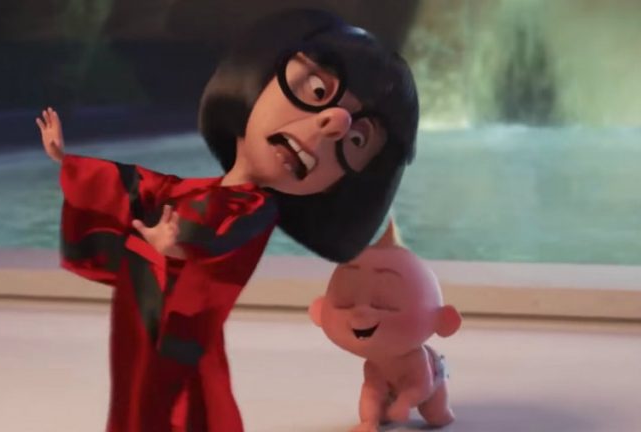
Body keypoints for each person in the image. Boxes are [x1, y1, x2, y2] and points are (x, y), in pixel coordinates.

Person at [36, 8, 418, 432]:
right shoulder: (210, 191)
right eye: (316, 89)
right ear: (259, 75)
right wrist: (69, 162)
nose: (333, 123)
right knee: (153, 395)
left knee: (167, 399)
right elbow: (149, 188)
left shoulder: (254, 210)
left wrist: (175, 251)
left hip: (176, 332)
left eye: (357, 140)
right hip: (148, 319)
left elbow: (219, 251)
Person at [309, 220, 462, 431]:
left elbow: (423, 386)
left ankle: (443, 414)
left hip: (431, 388)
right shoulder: (372, 364)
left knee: (436, 415)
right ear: (319, 309)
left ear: (444, 320)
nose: (361, 311)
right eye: (346, 301)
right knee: (375, 400)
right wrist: (368, 421)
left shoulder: (417, 360)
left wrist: (405, 402)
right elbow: (371, 390)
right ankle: (371, 420)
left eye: (384, 303)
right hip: (388, 388)